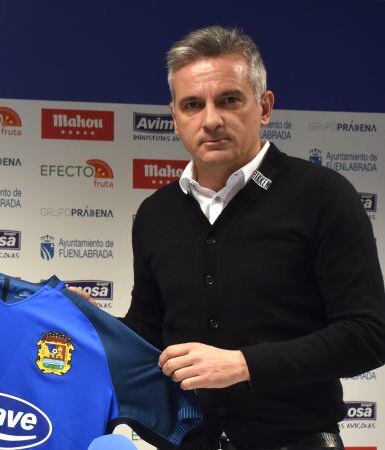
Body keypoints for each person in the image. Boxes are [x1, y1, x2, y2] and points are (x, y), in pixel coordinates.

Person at [124, 25, 385, 450]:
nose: (211, 120)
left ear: (264, 107)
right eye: (193, 105)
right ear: (174, 117)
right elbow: (148, 333)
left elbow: (368, 335)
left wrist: (244, 364)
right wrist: (87, 322)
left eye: (228, 99)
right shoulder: (156, 214)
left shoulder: (323, 195)